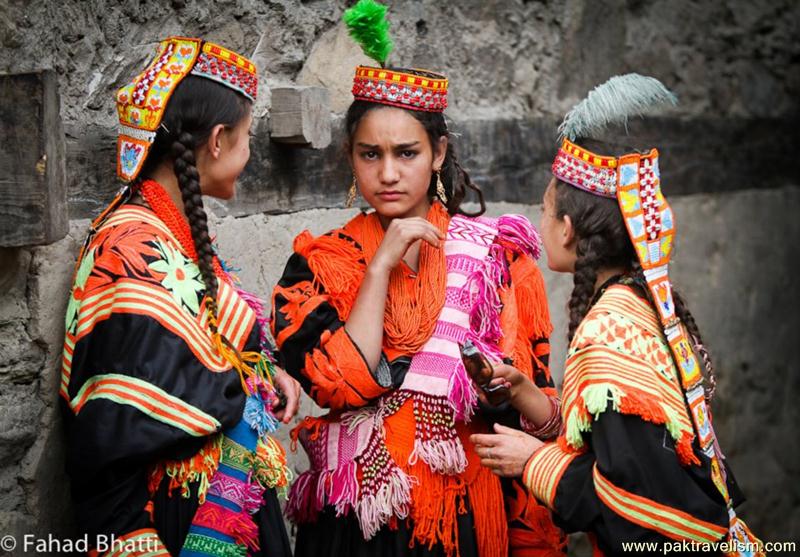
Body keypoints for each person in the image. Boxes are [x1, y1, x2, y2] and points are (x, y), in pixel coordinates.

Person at [270, 2, 564, 556]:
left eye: (406, 153)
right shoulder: (318, 264)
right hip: (355, 523)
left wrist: (505, 389)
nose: (387, 173)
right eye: (369, 154)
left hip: (465, 518)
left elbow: (542, 408)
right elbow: (341, 384)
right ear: (349, 160)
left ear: (438, 153)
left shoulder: (497, 260)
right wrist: (380, 264)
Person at [471, 74, 763, 556]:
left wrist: (535, 462)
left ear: (567, 229)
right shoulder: (636, 303)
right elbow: (625, 442)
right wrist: (528, 396)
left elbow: (641, 501)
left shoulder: (607, 331)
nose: (539, 223)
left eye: (544, 211)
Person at [60, 36, 300, 557]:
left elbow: (203, 350)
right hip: (174, 516)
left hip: (217, 495)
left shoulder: (169, 232)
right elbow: (119, 423)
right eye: (247, 136)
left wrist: (263, 370)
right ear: (216, 140)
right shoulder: (129, 249)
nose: (250, 151)